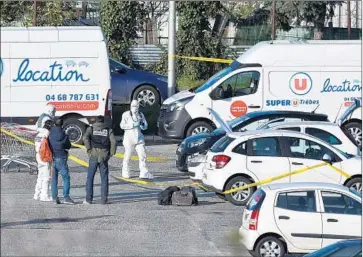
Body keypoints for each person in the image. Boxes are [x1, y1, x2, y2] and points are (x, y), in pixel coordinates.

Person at [83, 115, 116, 204]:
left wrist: (89, 149)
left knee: (90, 178)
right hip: (104, 156)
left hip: (93, 154)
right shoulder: (108, 130)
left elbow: (85, 138)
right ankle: (104, 200)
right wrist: (111, 153)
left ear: (96, 121)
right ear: (103, 121)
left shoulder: (91, 128)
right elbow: (113, 142)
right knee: (104, 178)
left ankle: (88, 199)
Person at [120, 100, 154, 179]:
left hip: (139, 138)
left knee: (142, 155)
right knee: (127, 155)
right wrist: (132, 125)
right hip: (129, 138)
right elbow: (122, 125)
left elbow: (145, 126)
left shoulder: (141, 115)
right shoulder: (126, 114)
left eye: (136, 106)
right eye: (133, 106)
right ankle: (125, 170)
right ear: (131, 106)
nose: (134, 108)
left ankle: (144, 172)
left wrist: (143, 125)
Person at [48, 118, 74, 204]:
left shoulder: (50, 133)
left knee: (54, 179)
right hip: (61, 157)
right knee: (66, 178)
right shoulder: (63, 134)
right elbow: (68, 145)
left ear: (54, 124)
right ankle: (66, 197)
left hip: (52, 158)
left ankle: (55, 198)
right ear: (62, 125)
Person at [33, 119, 53, 202]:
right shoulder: (46, 133)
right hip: (44, 156)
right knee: (46, 177)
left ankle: (36, 194)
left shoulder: (38, 133)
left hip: (38, 155)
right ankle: (44, 196)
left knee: (40, 175)